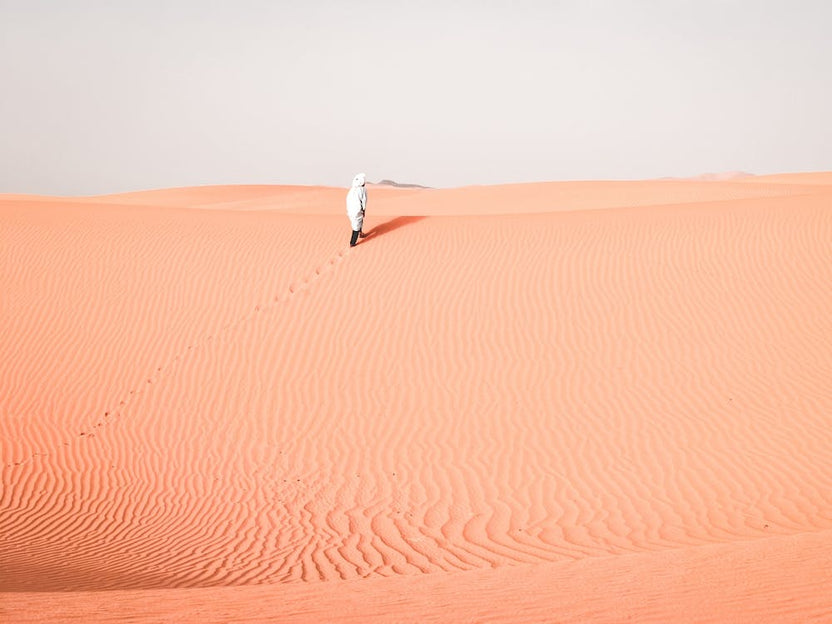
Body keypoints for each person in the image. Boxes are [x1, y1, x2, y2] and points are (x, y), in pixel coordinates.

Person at [346, 172, 368, 247]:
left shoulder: (352, 189)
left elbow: (348, 199)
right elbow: (364, 200)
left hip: (350, 210)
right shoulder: (362, 189)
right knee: (356, 225)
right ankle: (352, 242)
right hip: (357, 209)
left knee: (356, 222)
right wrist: (364, 209)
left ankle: (360, 233)